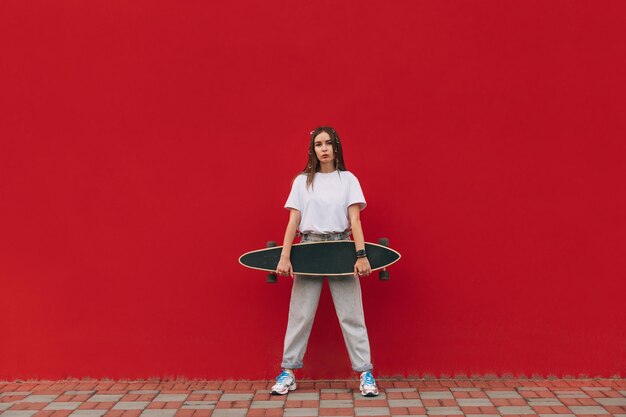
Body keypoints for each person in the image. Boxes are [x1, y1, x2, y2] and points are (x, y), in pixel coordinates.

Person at [270, 126, 379, 397]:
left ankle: (365, 373)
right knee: (301, 314)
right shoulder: (302, 181)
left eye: (329, 143)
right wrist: (285, 256)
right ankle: (288, 372)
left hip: (342, 247)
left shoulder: (348, 179)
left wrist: (361, 254)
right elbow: (293, 220)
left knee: (352, 315)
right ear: (313, 149)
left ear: (336, 147)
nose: (324, 148)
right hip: (308, 248)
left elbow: (355, 220)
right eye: (319, 144)